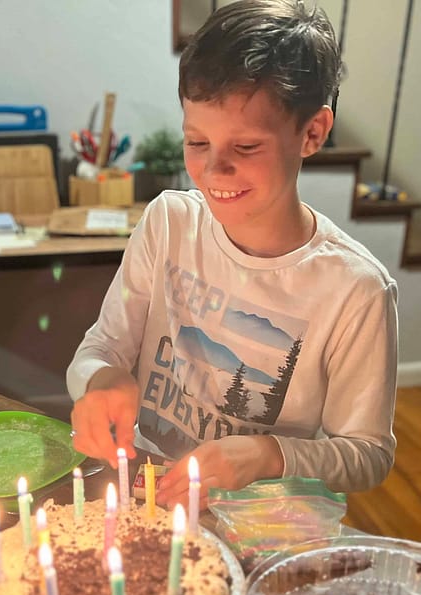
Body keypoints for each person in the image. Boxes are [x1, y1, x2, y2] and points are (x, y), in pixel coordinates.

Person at [67, 0, 398, 510]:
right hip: (146, 491)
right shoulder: (168, 221)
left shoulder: (355, 290)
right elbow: (100, 350)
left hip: (260, 517)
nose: (214, 171)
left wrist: (269, 455)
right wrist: (102, 380)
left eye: (245, 148)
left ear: (312, 132)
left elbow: (368, 454)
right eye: (197, 141)